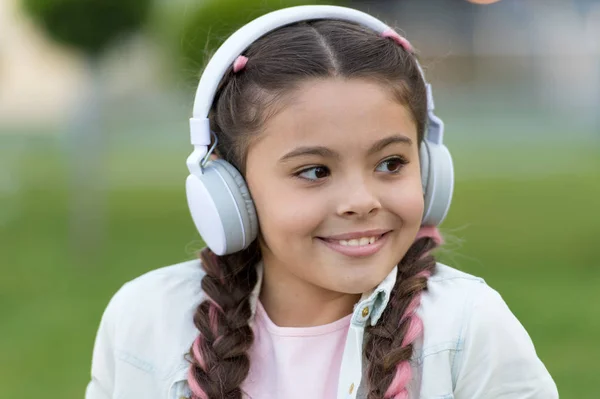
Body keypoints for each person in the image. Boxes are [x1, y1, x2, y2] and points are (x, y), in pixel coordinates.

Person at [85, 5, 558, 399]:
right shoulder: (142, 321)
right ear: (230, 190)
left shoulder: (470, 330)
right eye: (315, 171)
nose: (360, 201)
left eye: (391, 163)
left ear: (429, 169)